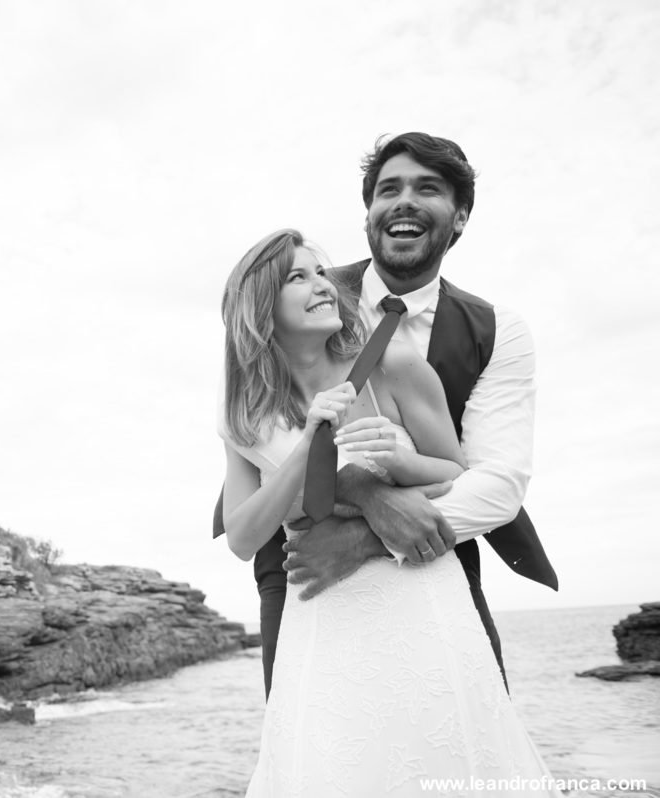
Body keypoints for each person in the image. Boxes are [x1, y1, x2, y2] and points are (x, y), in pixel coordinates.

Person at [218, 227, 561, 796]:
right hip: (321, 618)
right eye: (298, 277)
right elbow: (241, 537)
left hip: (418, 596)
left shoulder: (394, 364)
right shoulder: (243, 416)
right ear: (260, 309)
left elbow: (457, 474)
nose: (323, 285)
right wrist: (307, 446)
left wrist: (396, 462)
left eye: (320, 272)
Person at [213, 133, 557, 698]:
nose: (405, 202)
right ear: (368, 211)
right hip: (298, 565)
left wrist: (367, 527)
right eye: (389, 189)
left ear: (460, 216)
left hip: (431, 543)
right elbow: (254, 425)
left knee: (465, 712)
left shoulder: (500, 331)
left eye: (429, 189)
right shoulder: (310, 293)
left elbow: (495, 480)